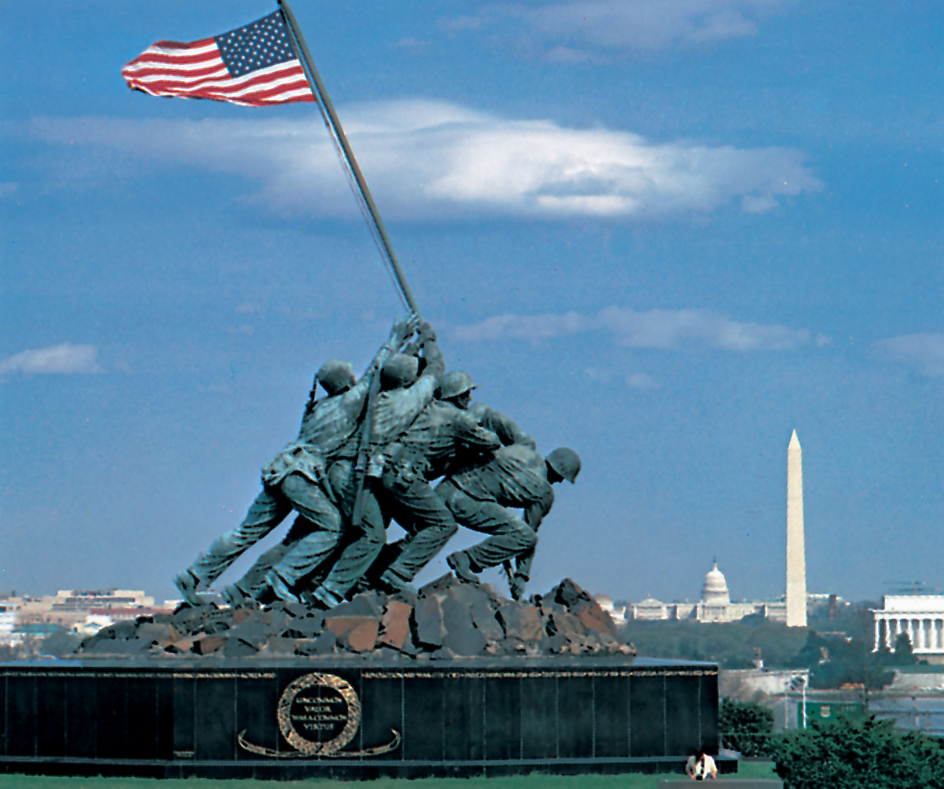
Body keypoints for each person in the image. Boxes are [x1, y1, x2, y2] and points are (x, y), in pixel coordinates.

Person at [172, 317, 415, 605]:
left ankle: (195, 575)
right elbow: (375, 372)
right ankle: (281, 578)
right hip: (300, 476)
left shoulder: (318, 408)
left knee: (247, 532)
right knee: (331, 526)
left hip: (281, 469)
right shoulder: (348, 403)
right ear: (346, 381)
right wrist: (395, 340)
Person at [301, 320, 447, 607]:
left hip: (341, 472)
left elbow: (378, 372)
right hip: (354, 475)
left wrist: (410, 346)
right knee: (372, 536)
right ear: (407, 380)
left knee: (362, 531)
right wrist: (430, 342)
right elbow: (435, 372)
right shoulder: (406, 401)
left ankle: (336, 583)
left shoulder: (370, 399)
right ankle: (329, 591)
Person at [437, 444, 581, 600]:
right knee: (525, 537)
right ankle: (467, 559)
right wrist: (521, 575)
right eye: (562, 477)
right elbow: (527, 534)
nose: (559, 481)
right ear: (559, 471)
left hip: (446, 487)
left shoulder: (522, 452)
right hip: (465, 500)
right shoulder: (544, 492)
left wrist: (505, 547)